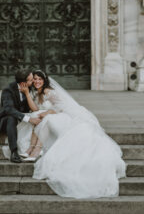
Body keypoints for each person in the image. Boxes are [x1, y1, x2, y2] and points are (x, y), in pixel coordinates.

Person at [16, 70, 126, 199]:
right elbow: (35, 109)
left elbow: (63, 108)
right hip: (52, 117)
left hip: (63, 117)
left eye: (40, 79)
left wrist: (49, 112)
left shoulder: (48, 92)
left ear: (44, 80)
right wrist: (28, 94)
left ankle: (36, 151)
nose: (37, 81)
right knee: (36, 116)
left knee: (46, 119)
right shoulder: (36, 92)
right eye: (35, 79)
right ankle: (31, 149)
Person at [0, 69, 41, 163]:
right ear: (23, 83)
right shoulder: (8, 90)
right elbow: (9, 109)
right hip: (7, 119)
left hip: (23, 117)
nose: (34, 81)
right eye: (31, 80)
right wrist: (29, 119)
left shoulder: (30, 88)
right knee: (11, 118)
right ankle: (14, 152)